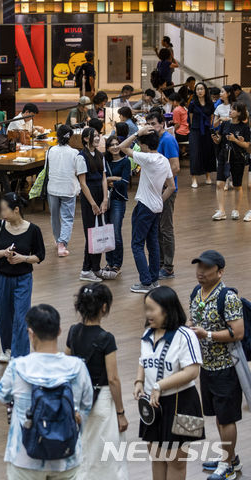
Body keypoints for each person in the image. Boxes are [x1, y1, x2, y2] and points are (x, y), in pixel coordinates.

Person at [0, 304, 93, 480]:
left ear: (30, 333)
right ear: (59, 331)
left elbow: (2, 394)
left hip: (24, 457)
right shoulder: (77, 367)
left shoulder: (17, 367)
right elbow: (87, 405)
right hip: (67, 456)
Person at [134, 286, 204, 480]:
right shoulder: (147, 334)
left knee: (176, 461)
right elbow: (142, 360)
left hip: (183, 404)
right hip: (152, 405)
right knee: (156, 456)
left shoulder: (185, 335)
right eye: (146, 309)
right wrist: (139, 381)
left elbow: (192, 371)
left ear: (167, 309)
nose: (147, 314)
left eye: (151, 309)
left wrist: (160, 385)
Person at [187, 251, 244, 480]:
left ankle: (228, 465)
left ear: (219, 272)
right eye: (198, 267)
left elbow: (237, 332)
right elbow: (193, 319)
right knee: (219, 416)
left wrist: (207, 334)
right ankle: (229, 457)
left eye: (206, 268)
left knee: (227, 417)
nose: (200, 272)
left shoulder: (228, 297)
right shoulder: (196, 292)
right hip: (206, 366)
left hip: (226, 367)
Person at [65, 284, 128, 478]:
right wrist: (121, 412)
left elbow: (67, 366)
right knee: (106, 454)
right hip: (102, 400)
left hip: (78, 400)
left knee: (83, 449)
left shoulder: (73, 332)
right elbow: (114, 379)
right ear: (104, 307)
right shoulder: (106, 339)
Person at [0, 193, 45, 362]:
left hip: (23, 278)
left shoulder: (33, 230)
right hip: (2, 278)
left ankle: (21, 355)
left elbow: (40, 256)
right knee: (3, 315)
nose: (2, 213)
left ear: (16, 210)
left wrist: (22, 258)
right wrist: (4, 253)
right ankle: (8, 349)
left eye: (5, 209)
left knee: (21, 317)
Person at [118, 127, 175, 293]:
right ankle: (153, 280)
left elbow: (122, 147)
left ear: (145, 145)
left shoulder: (147, 158)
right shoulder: (164, 160)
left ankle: (145, 282)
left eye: (140, 144)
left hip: (144, 207)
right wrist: (159, 199)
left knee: (137, 244)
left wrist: (137, 133)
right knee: (153, 245)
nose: (139, 147)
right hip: (156, 208)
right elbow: (171, 187)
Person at [145, 110, 180, 281]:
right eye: (149, 124)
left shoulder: (167, 140)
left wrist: (164, 185)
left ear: (162, 123)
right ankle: (160, 263)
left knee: (166, 228)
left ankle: (168, 267)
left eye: (153, 124)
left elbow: (175, 167)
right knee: (158, 228)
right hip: (157, 191)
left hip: (166, 191)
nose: (151, 127)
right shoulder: (157, 139)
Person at [77, 127, 110, 282]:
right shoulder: (81, 157)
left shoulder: (99, 155)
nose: (97, 138)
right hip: (89, 197)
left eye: (98, 136)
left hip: (100, 195)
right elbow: (83, 184)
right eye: (94, 136)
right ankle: (86, 269)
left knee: (100, 231)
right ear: (85, 139)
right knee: (91, 233)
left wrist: (105, 199)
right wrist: (93, 204)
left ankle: (95, 268)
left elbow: (104, 178)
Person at [46, 124, 84, 257]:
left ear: (57, 136)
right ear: (70, 138)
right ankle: (62, 243)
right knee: (67, 218)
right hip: (68, 188)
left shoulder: (50, 150)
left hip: (53, 188)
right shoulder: (75, 153)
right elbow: (78, 172)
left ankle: (58, 241)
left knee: (54, 217)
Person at [211, 102, 250, 221]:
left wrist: (235, 140)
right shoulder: (225, 124)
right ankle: (221, 210)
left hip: (237, 158)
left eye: (233, 109)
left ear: (239, 113)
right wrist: (216, 140)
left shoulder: (244, 127)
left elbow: (247, 145)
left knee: (237, 185)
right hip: (223, 156)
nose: (230, 111)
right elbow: (220, 140)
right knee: (219, 184)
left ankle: (236, 209)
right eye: (231, 109)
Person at [104, 135, 131, 275]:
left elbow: (125, 183)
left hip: (118, 200)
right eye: (111, 145)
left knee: (116, 232)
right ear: (107, 148)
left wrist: (109, 179)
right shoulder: (105, 161)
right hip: (105, 199)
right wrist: (116, 179)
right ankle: (109, 262)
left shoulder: (126, 162)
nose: (115, 147)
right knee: (107, 232)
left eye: (117, 144)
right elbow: (102, 179)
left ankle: (117, 264)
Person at [189, 82, 216, 187]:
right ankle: (194, 179)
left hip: (207, 130)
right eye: (197, 89)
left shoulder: (210, 103)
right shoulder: (192, 103)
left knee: (207, 153)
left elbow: (212, 117)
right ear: (195, 91)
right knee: (195, 154)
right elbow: (190, 118)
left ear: (205, 91)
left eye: (201, 89)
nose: (199, 91)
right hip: (195, 130)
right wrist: (194, 127)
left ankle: (208, 176)